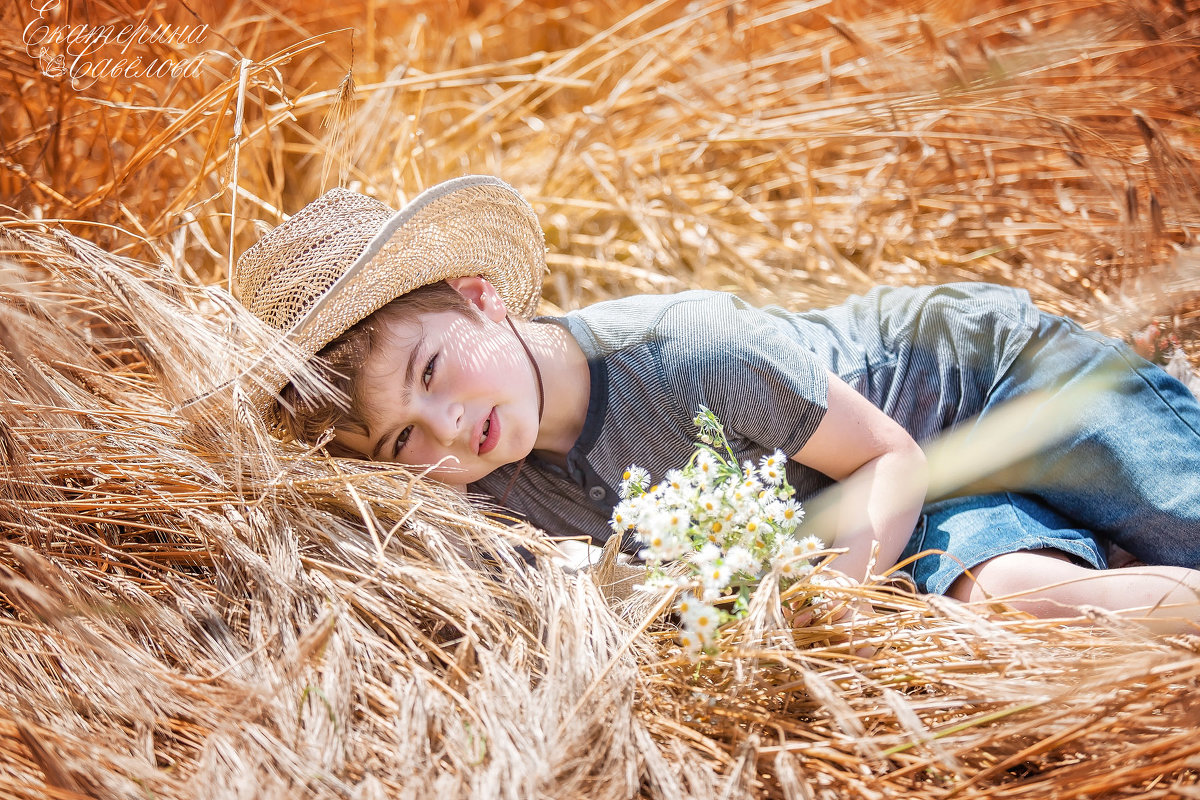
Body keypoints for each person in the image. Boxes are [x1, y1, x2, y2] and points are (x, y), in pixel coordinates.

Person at [230, 175, 1200, 632]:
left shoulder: (683, 348)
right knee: (1024, 603)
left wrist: (807, 618)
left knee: (1183, 516)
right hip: (892, 503)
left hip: (974, 384)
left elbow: (890, 454)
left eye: (437, 370)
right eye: (404, 438)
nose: (446, 427)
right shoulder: (495, 495)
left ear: (484, 294)